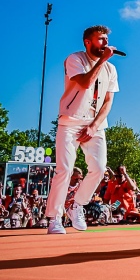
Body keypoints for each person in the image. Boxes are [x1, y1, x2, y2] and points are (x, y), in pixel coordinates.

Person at [46, 25, 120, 234]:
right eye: (100, 39)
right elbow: (86, 83)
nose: (105, 43)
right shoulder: (74, 59)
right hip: (70, 120)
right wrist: (103, 60)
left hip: (94, 124)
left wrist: (94, 125)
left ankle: (76, 205)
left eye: (106, 39)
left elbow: (108, 102)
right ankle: (54, 218)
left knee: (98, 168)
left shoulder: (111, 69)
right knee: (65, 170)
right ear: (88, 42)